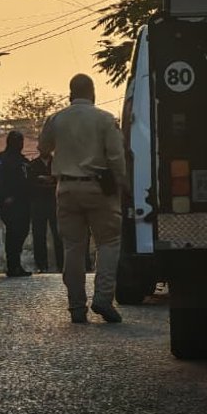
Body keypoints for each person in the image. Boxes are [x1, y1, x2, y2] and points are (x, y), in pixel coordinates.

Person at [38, 73, 126, 323]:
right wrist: (122, 183)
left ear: (70, 93)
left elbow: (44, 148)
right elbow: (116, 157)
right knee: (108, 242)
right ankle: (103, 298)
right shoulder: (105, 120)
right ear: (93, 93)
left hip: (66, 188)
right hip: (99, 189)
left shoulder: (56, 119)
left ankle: (76, 306)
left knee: (73, 247)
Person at [0, 130, 32, 277]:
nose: (20, 145)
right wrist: (5, 197)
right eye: (18, 141)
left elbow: (27, 179)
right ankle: (12, 265)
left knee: (21, 233)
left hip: (24, 202)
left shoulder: (22, 160)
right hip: (10, 204)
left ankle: (16, 265)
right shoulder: (2, 160)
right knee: (13, 234)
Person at [28, 150, 59, 273]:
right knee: (39, 235)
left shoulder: (57, 163)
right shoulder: (33, 165)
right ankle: (41, 265)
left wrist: (45, 180)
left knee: (58, 235)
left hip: (55, 203)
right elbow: (30, 184)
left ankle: (61, 264)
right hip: (38, 204)